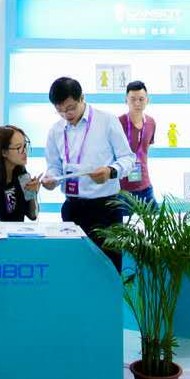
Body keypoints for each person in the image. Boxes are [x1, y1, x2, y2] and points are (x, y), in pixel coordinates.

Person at [41, 77, 135, 269]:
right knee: (76, 269)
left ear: (82, 98)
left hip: (106, 208)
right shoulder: (55, 131)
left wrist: (110, 171)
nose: (66, 114)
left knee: (109, 269)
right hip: (73, 208)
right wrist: (51, 179)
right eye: (60, 110)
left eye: (70, 108)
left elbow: (128, 158)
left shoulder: (107, 121)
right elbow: (54, 166)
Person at [118, 80, 157, 210]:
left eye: (141, 99)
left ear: (147, 100)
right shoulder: (118, 123)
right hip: (122, 189)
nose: (137, 103)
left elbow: (145, 151)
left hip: (145, 186)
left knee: (155, 221)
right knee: (122, 223)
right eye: (133, 99)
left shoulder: (151, 122)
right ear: (126, 100)